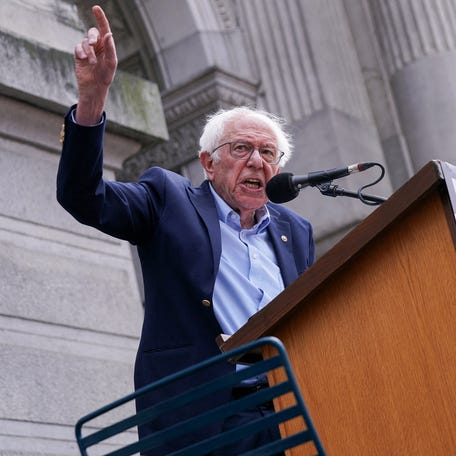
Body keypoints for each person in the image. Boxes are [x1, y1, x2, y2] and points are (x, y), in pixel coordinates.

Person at [57, 5, 315, 455]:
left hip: (290, 408)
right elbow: (85, 197)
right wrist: (92, 99)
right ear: (207, 163)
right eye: (241, 148)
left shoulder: (297, 231)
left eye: (268, 153)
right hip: (204, 418)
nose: (258, 161)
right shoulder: (168, 199)